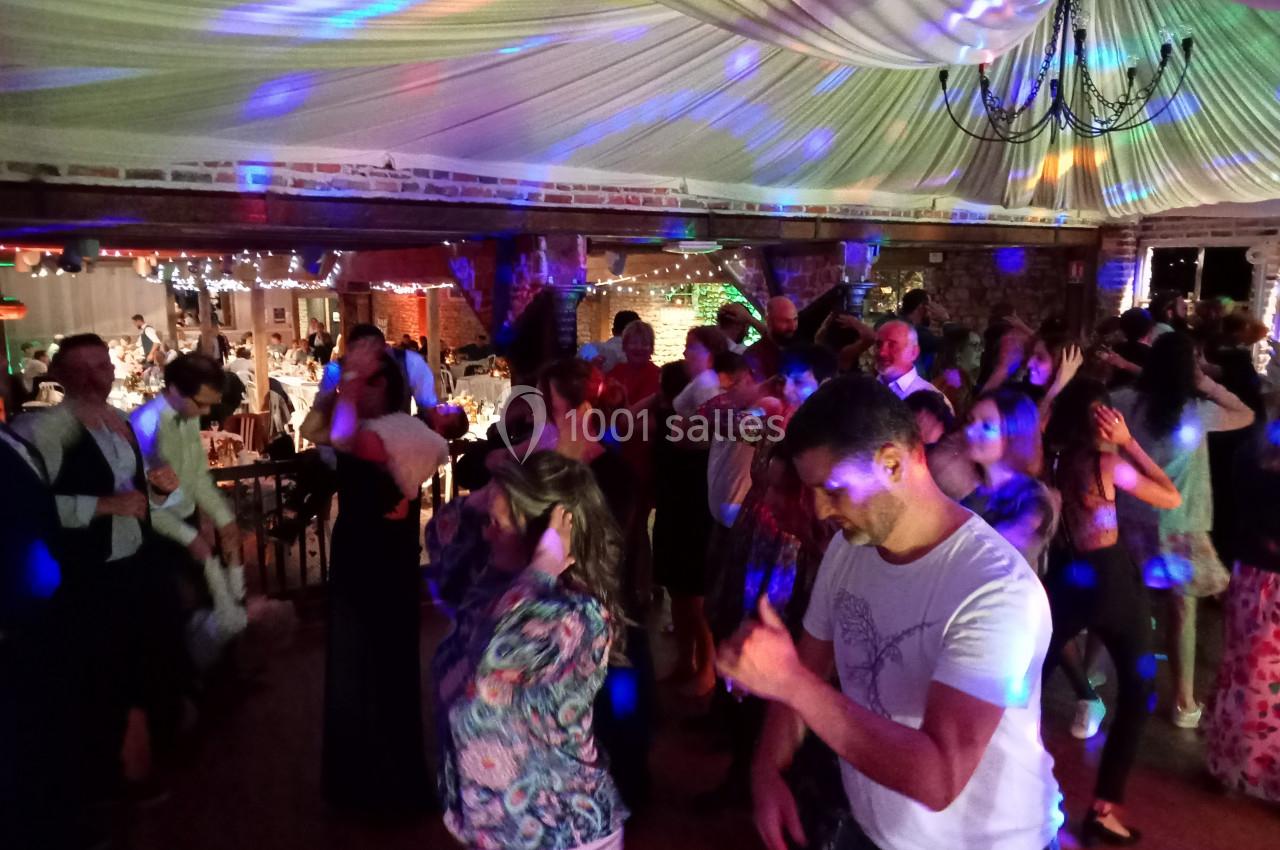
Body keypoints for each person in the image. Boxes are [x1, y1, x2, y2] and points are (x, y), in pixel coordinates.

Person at [717, 376, 1062, 850]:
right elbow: (811, 661)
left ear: (895, 464)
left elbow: (938, 777)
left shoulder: (994, 591)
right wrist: (766, 769)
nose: (819, 511)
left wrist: (788, 680)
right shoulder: (849, 548)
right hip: (872, 828)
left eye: (834, 488)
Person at [14, 335, 179, 811]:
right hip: (82, 575)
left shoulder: (121, 423)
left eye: (102, 365)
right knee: (91, 684)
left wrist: (161, 484)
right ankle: (93, 793)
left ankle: (133, 774)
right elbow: (28, 507)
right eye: (82, 368)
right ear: (60, 377)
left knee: (136, 672)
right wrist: (103, 505)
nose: (95, 376)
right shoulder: (39, 429)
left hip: (134, 566)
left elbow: (142, 488)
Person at [433, 452, 628, 850]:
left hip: (560, 830)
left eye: (496, 524)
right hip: (505, 825)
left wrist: (539, 574)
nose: (486, 533)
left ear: (542, 539)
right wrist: (484, 498)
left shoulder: (575, 615)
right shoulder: (498, 580)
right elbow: (440, 539)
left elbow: (494, 659)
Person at [1043, 379, 1182, 844]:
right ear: (1099, 416)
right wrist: (1130, 444)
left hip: (1066, 575)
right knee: (1139, 688)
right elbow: (1170, 496)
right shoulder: (1107, 463)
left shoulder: (1058, 457)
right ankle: (1103, 807)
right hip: (1109, 580)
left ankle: (1006, 777)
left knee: (1028, 681)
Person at [312, 340, 447, 813]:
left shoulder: (393, 431)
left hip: (375, 557)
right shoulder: (384, 428)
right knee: (366, 662)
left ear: (383, 385)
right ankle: (368, 775)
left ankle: (380, 783)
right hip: (368, 553)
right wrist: (342, 383)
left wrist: (348, 380)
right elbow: (324, 429)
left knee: (374, 663)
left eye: (366, 379)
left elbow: (344, 438)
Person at [1111, 332, 1255, 727]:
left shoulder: (1125, 402)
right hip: (1182, 524)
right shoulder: (1196, 410)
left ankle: (1112, 686)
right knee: (1182, 610)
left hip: (1130, 516)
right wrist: (1206, 382)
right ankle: (1183, 700)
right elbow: (1246, 413)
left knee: (1128, 605)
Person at [1205, 416, 1280, 802]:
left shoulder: (1250, 452)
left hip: (1251, 574)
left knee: (1246, 670)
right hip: (1263, 579)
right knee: (1255, 676)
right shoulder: (1254, 457)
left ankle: (1230, 764)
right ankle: (1247, 771)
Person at [959, 389, 1059, 567]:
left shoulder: (1033, 500)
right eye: (971, 420)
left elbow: (989, 557)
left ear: (1014, 437)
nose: (971, 430)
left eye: (987, 426)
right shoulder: (975, 492)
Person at [874, 320, 950, 406]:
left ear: (914, 352)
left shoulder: (932, 401)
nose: (882, 353)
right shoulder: (863, 389)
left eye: (892, 345)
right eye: (878, 344)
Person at [673, 326, 730, 418]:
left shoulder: (706, 383)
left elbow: (709, 425)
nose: (684, 353)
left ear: (710, 353)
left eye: (691, 348)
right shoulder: (703, 380)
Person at [931, 325, 982, 417]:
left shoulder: (955, 377)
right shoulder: (952, 381)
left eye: (980, 345)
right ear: (957, 353)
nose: (981, 350)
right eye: (974, 345)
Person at [605, 319, 660, 405]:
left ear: (652, 349)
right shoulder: (617, 370)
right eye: (633, 343)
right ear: (624, 346)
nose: (639, 348)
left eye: (644, 344)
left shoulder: (657, 375)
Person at [745, 296, 799, 381]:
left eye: (795, 319)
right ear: (768, 321)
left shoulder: (803, 340)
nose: (792, 327)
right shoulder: (754, 355)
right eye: (785, 321)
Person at [897, 289, 948, 378]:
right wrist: (945, 320)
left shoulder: (897, 324)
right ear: (922, 307)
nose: (931, 313)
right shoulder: (916, 332)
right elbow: (947, 345)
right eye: (930, 306)